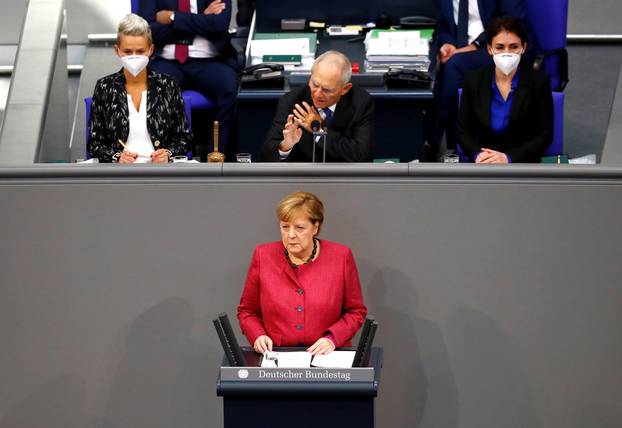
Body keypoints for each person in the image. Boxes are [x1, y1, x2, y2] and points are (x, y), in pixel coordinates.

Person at [237, 191, 367, 355]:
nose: (291, 235)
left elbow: (356, 312)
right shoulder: (263, 255)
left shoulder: (341, 256)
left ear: (316, 227)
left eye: (299, 228)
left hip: (328, 357)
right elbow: (247, 311)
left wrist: (332, 339)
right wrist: (258, 335)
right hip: (277, 355)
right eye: (285, 227)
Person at [427, 0, 534, 160]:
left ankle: (432, 142)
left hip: (503, 48)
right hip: (459, 50)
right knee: (434, 69)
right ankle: (449, 146)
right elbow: (443, 22)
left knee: (454, 66)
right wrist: (447, 43)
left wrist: (476, 45)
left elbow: (513, 22)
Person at [138, 0, 238, 154]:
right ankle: (166, 157)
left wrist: (174, 18)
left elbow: (219, 24)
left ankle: (217, 159)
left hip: (210, 60)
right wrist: (202, 18)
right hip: (168, 60)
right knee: (154, 89)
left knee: (230, 88)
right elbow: (148, 31)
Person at [88, 14, 191, 163]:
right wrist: (117, 157)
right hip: (120, 175)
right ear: (117, 50)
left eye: (141, 51)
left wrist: (168, 153)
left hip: (161, 174)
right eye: (128, 51)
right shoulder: (104, 87)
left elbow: (184, 138)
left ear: (151, 49)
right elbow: (94, 143)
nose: (134, 56)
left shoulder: (169, 85)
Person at [457, 17, 553, 163]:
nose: (507, 53)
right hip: (483, 164)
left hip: (521, 164)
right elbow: (463, 132)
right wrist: (478, 155)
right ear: (490, 48)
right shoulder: (473, 80)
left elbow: (544, 136)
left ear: (523, 48)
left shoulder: (539, 82)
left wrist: (508, 157)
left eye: (514, 47)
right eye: (500, 47)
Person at [260, 51, 375, 162]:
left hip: (343, 176)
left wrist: (319, 131)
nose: (317, 94)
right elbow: (266, 155)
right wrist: (286, 146)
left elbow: (362, 154)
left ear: (344, 89)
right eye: (315, 84)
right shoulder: (292, 101)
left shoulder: (360, 103)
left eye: (327, 90)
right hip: (302, 177)